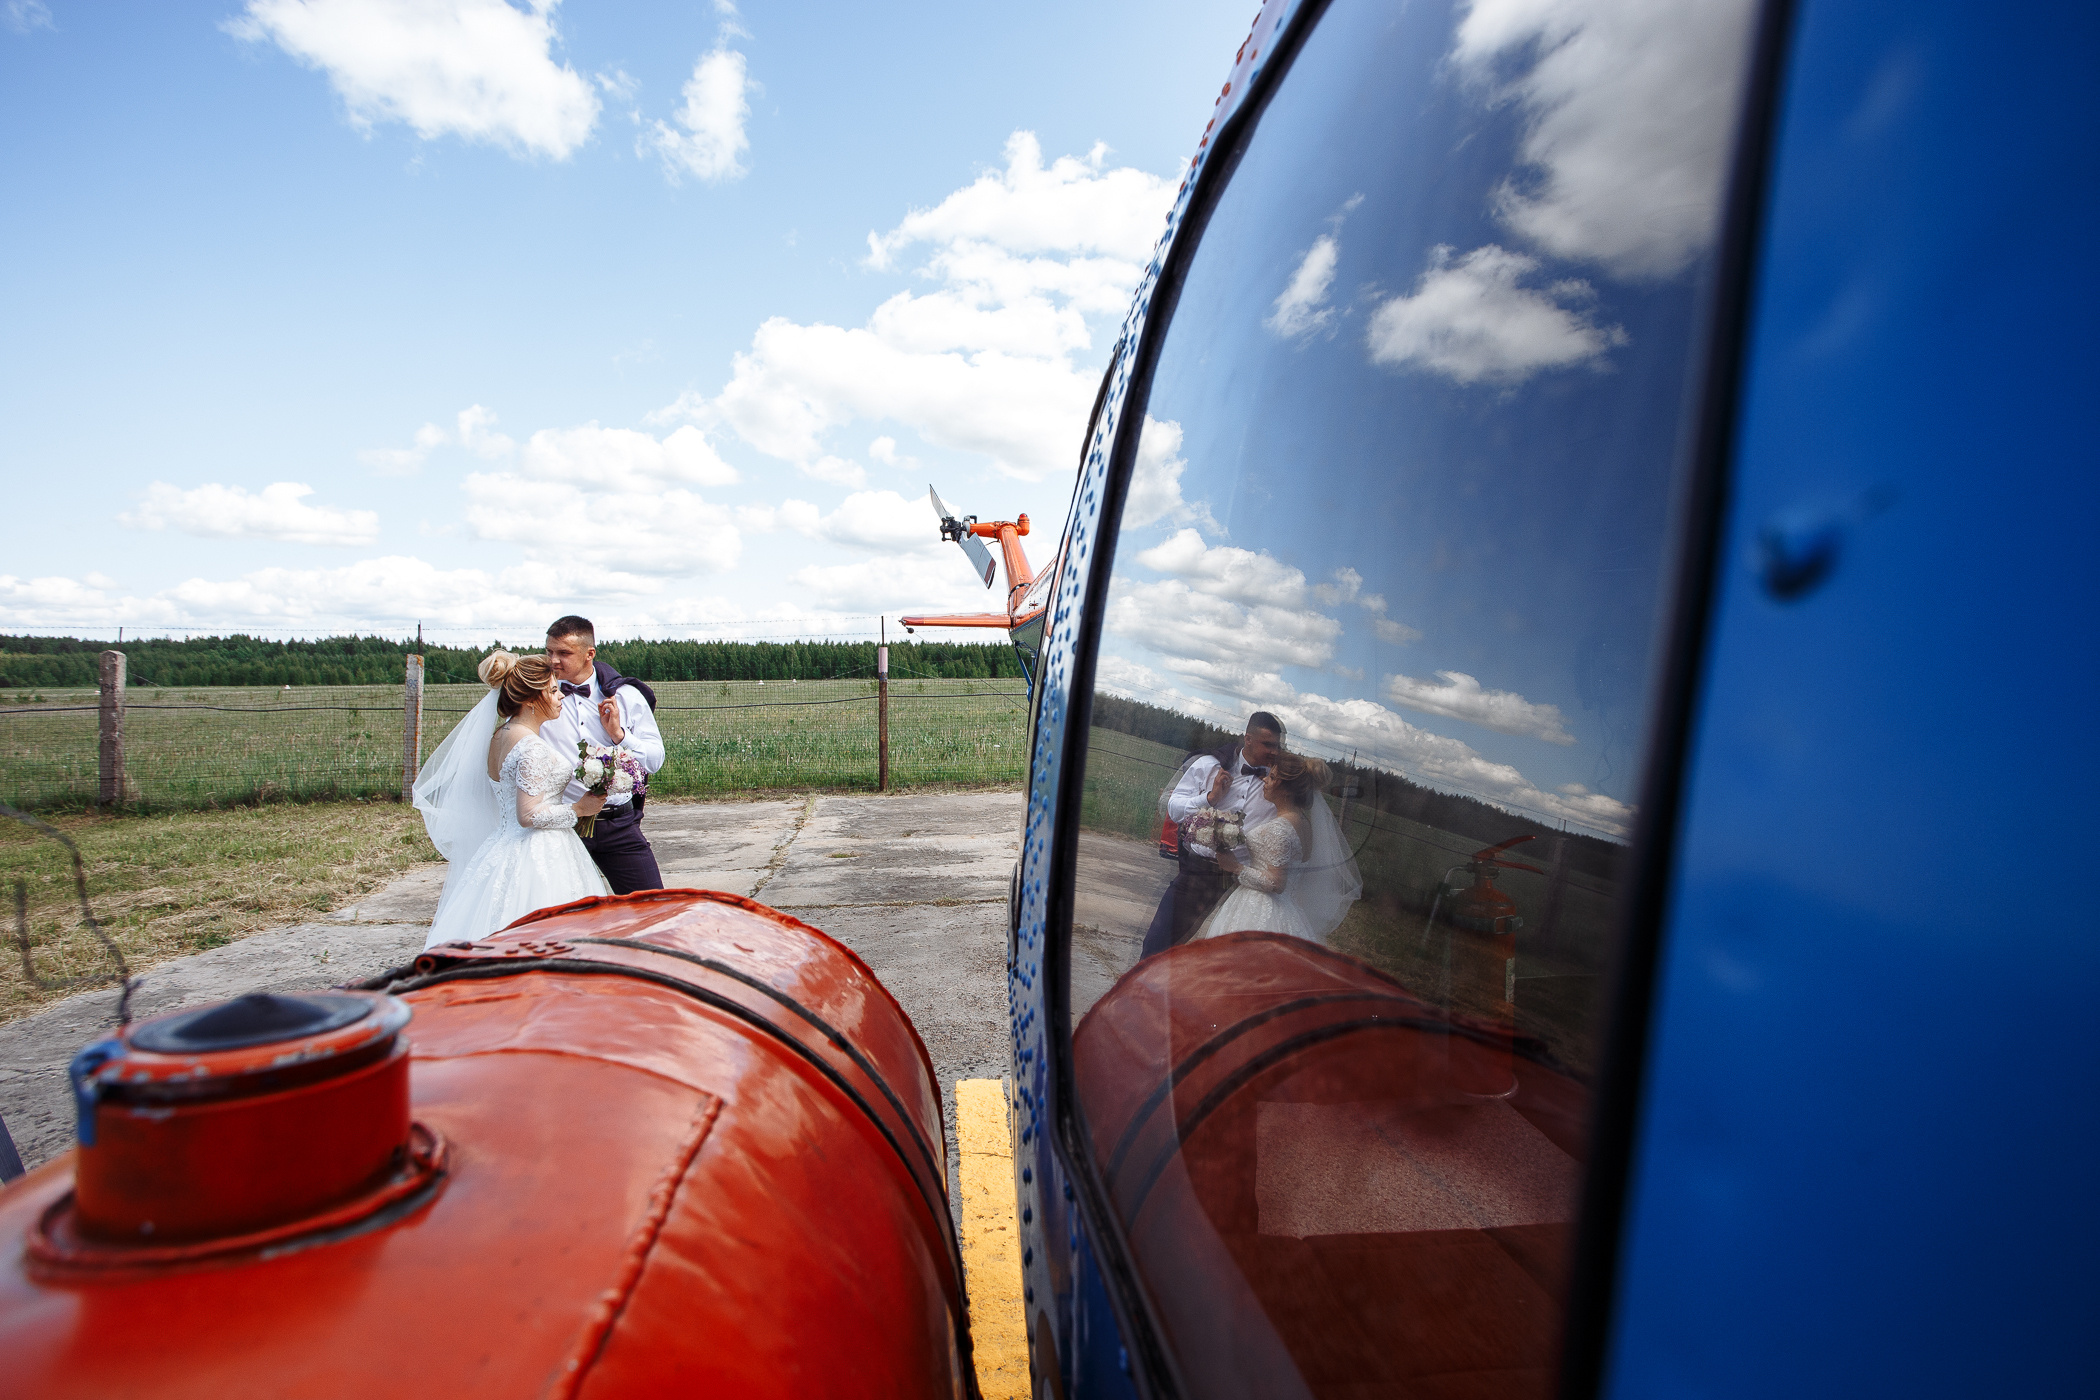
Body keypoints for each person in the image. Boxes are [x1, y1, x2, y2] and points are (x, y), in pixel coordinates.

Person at [416, 652, 611, 949]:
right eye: (553, 690)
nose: (560, 697)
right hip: (537, 851)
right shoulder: (531, 747)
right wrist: (579, 809)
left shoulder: (501, 735)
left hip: (503, 844)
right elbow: (528, 814)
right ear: (531, 700)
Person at [1140, 712, 1285, 958]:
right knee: (1159, 943)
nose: (1274, 752)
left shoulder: (1279, 781)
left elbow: (1292, 821)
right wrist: (1209, 799)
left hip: (1248, 883)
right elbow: (1172, 809)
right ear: (1248, 739)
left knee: (1226, 959)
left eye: (1277, 746)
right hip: (1200, 873)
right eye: (1267, 744)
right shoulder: (1208, 766)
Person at [540, 615, 666, 895]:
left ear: (590, 654)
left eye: (563, 653)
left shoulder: (627, 696)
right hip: (563, 826)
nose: (553, 661)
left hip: (619, 824)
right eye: (549, 651)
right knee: (568, 918)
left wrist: (621, 736)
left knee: (652, 907)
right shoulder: (537, 697)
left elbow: (655, 761)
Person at [1195, 752, 1361, 945]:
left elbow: (1276, 883)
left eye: (1273, 777)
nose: (1265, 780)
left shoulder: (1281, 828)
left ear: (1287, 789)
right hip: (1288, 909)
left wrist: (1235, 867)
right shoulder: (1303, 823)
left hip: (1260, 910)